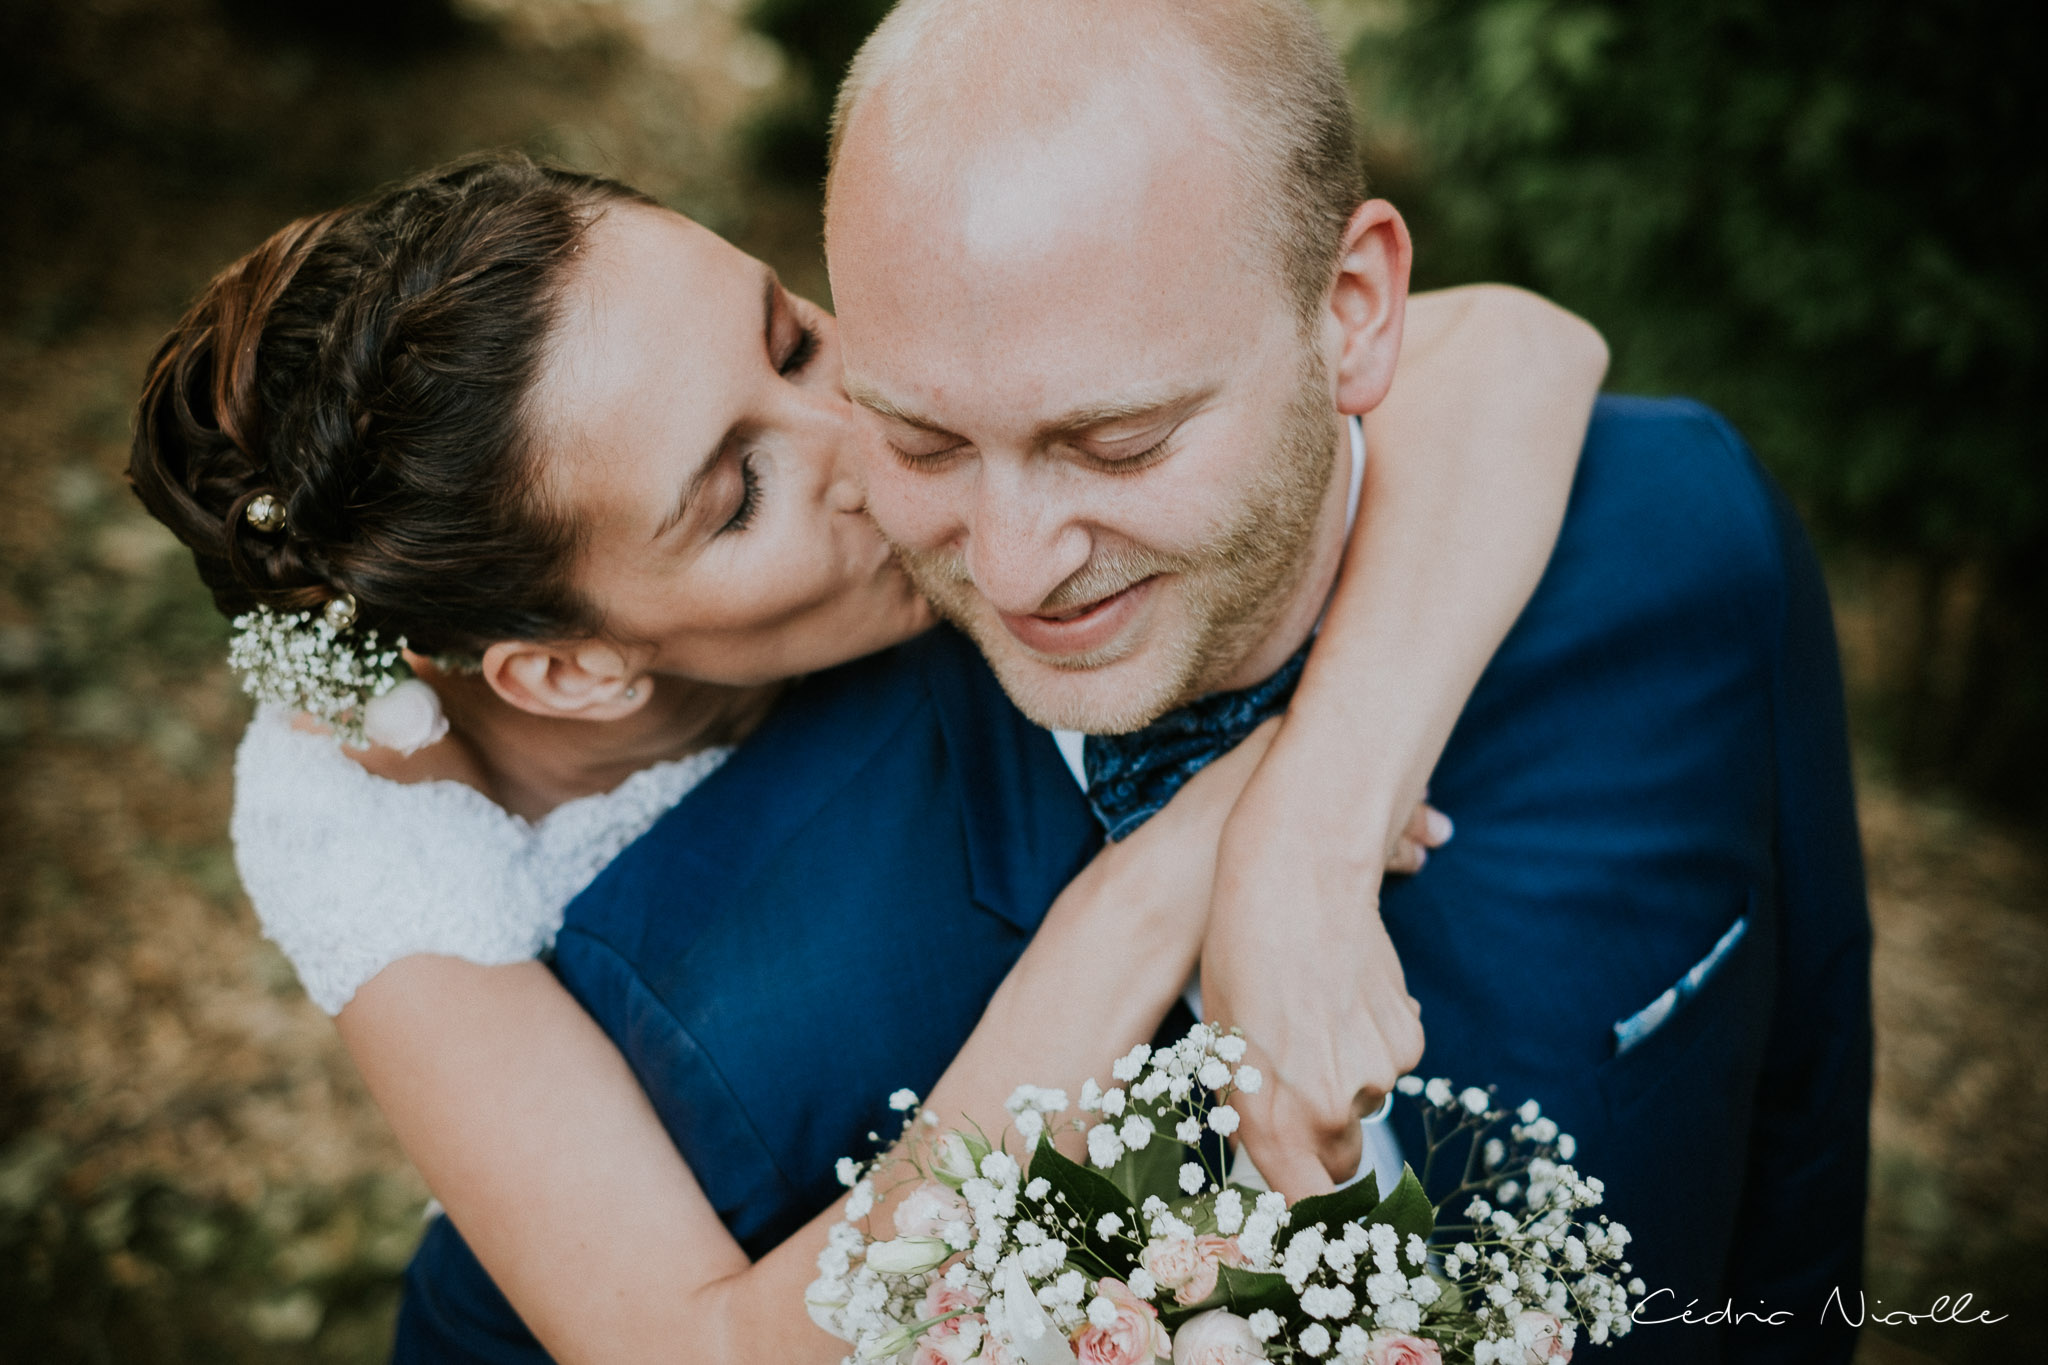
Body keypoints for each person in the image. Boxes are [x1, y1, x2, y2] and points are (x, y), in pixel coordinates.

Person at [126, 155, 1609, 1362]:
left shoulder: (895, 421)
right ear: (573, 669)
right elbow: (694, 1349)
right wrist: (1159, 889)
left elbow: (1523, 348)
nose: (861, 431)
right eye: (741, 492)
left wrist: (1308, 827)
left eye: (789, 336)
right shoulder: (372, 823)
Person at [823, 2, 1872, 1362]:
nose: (1017, 571)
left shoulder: (1693, 548)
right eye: (922, 440)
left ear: (1355, 311)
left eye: (1121, 441)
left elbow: (1801, 1138)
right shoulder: (779, 823)